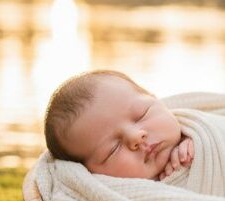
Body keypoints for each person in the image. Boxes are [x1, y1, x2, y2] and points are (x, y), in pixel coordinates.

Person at [44, 70, 194, 181]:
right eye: (112, 150)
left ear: (155, 99)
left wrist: (199, 145)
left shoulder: (197, 128)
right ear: (88, 173)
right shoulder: (114, 198)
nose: (136, 136)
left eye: (142, 114)